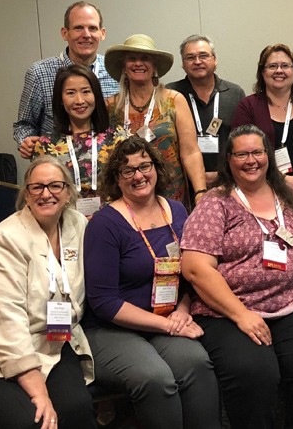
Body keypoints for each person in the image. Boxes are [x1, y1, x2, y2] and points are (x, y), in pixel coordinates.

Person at [181, 125, 293, 428]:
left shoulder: (289, 197)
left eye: (257, 152)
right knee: (255, 373)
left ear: (268, 156)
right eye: (241, 154)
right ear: (228, 160)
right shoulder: (216, 203)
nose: (250, 160)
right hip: (232, 309)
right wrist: (241, 315)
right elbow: (195, 268)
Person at [83, 137, 221, 429]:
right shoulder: (103, 224)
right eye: (127, 170)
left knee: (197, 365)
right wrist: (167, 325)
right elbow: (104, 302)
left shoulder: (178, 211)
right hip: (113, 329)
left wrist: (183, 311)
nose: (139, 175)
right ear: (116, 179)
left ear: (157, 168)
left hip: (169, 317)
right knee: (155, 378)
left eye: (144, 166)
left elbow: (190, 274)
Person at [0, 156, 95, 428]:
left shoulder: (77, 225)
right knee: (29, 419)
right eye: (36, 187)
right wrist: (39, 393)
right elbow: (4, 324)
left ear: (69, 192)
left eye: (55, 186)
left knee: (76, 408)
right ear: (26, 195)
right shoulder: (4, 239)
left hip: (51, 339)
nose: (46, 194)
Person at [104, 34, 207, 209]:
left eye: (145, 58)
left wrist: (200, 193)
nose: (138, 63)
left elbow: (190, 152)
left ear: (154, 67)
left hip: (171, 196)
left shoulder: (173, 100)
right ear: (123, 67)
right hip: (127, 196)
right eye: (132, 59)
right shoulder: (110, 106)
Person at [15, 1, 119, 159]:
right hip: (56, 170)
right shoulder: (39, 73)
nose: (86, 34)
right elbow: (24, 124)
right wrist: (26, 141)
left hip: (106, 171)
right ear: (65, 33)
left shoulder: (115, 72)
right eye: (78, 28)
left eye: (92, 28)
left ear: (102, 33)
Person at [232, 44, 293, 203]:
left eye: (285, 65)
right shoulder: (248, 106)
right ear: (262, 72)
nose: (279, 70)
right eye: (272, 66)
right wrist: (282, 179)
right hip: (264, 192)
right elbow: (242, 150)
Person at [33, 64, 123, 217]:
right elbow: (41, 194)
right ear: (61, 99)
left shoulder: (117, 137)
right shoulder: (46, 145)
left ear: (96, 95)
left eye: (86, 91)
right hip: (65, 224)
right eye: (70, 93)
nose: (79, 100)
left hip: (113, 222)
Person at [167, 35, 245, 187]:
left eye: (203, 55)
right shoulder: (171, 94)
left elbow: (243, 141)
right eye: (190, 57)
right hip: (184, 183)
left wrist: (224, 173)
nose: (197, 61)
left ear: (215, 60)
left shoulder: (235, 93)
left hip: (229, 181)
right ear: (183, 64)